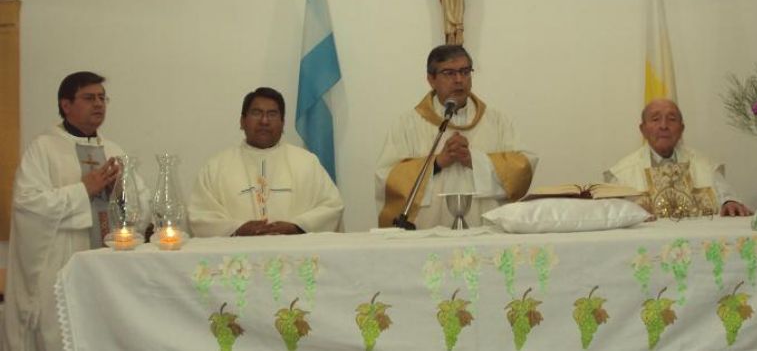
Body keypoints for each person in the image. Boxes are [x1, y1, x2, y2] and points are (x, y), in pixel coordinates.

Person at [4, 71, 151, 351]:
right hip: (60, 265)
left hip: (107, 268)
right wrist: (83, 189)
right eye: (89, 98)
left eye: (102, 98)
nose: (98, 104)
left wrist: (120, 193)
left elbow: (140, 207)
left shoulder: (112, 149)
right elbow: (27, 205)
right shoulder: (44, 148)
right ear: (65, 105)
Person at [376, 45, 537, 228]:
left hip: (486, 230)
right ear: (431, 79)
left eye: (465, 71)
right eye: (449, 73)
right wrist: (437, 163)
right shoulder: (408, 124)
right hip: (428, 232)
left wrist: (474, 161)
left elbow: (523, 167)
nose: (459, 80)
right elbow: (386, 177)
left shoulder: (497, 121)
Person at [188, 87, 343, 237]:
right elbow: (200, 214)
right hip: (238, 259)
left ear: (283, 123)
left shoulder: (307, 163)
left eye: (272, 114)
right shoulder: (216, 167)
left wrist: (297, 226)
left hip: (295, 257)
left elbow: (331, 206)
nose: (264, 121)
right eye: (256, 113)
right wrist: (237, 228)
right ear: (242, 121)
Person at [604, 98, 752, 217]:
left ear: (681, 129)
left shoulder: (705, 166)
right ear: (643, 129)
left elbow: (728, 197)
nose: (664, 126)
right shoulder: (621, 175)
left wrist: (730, 202)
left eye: (671, 119)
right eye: (655, 119)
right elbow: (612, 215)